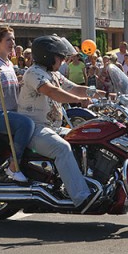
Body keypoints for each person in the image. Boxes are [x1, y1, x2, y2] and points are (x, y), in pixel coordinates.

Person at [18, 35, 100, 211]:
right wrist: (80, 100)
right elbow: (52, 91)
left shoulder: (54, 74)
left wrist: (104, 94)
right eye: (60, 56)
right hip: (35, 128)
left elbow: (77, 87)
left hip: (53, 127)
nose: (63, 60)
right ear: (47, 56)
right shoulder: (34, 73)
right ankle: (82, 198)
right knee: (61, 149)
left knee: (87, 138)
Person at [0, 26, 35, 183]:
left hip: (10, 112)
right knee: (26, 124)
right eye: (8, 39)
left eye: (13, 39)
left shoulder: (9, 63)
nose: (12, 42)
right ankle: (13, 166)